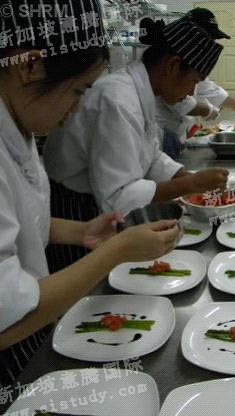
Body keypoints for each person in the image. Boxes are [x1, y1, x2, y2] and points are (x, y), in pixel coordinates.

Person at [0, 0, 180, 387]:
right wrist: (116, 252)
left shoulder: (17, 121)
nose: (78, 108)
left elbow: (20, 218)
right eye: (78, 91)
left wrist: (78, 231)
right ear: (29, 66)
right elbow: (6, 317)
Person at [43, 17, 227, 272]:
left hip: (95, 200)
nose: (191, 93)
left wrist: (186, 177)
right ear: (172, 66)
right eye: (195, 81)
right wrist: (191, 185)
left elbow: (150, 154)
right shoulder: (118, 99)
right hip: (75, 208)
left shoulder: (140, 90)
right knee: (84, 287)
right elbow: (118, 195)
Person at [157, 8, 235, 159]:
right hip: (162, 133)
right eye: (207, 38)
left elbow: (210, 90)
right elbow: (178, 102)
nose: (210, 44)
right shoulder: (172, 62)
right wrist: (208, 110)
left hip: (175, 135)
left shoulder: (190, 61)